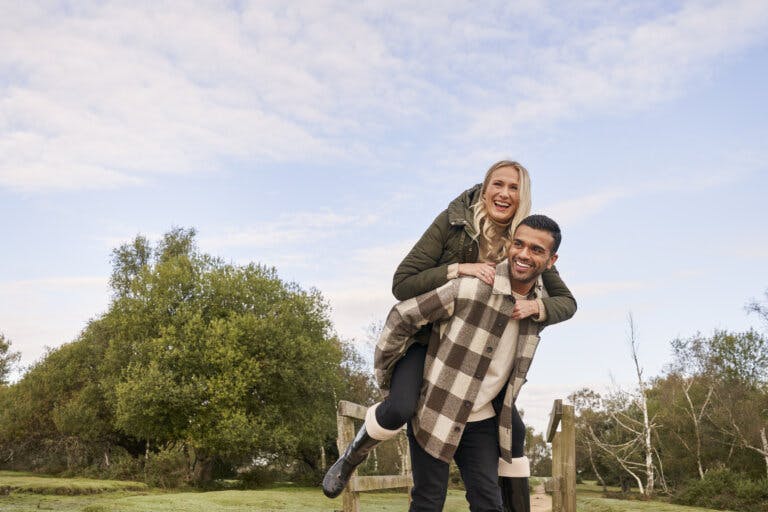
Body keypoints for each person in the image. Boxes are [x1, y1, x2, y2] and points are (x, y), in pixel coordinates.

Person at [322, 162, 576, 510]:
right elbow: (403, 287)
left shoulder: (528, 237)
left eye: (514, 187)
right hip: (428, 338)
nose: (504, 193)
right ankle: (353, 454)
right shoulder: (455, 221)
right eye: (497, 184)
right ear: (484, 188)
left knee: (513, 433)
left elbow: (566, 301)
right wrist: (459, 269)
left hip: (477, 365)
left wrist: (538, 308)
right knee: (401, 408)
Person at [378, 214, 566, 511]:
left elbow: (569, 305)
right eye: (518, 244)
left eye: (536, 250)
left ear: (551, 260)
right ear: (509, 245)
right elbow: (401, 316)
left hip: (482, 420)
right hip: (435, 412)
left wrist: (538, 307)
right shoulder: (470, 287)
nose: (523, 254)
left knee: (489, 504)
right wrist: (388, 376)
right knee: (428, 502)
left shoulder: (539, 308)